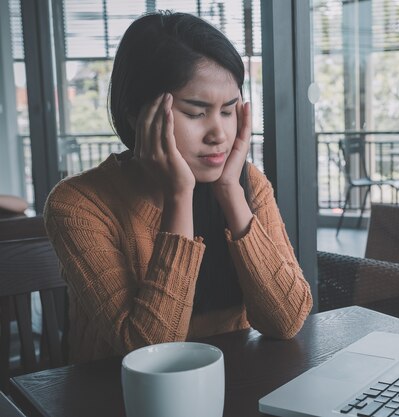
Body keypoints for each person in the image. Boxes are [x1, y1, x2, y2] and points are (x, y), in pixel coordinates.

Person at [44, 11, 312, 363]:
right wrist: (179, 196)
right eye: (196, 113)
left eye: (228, 111)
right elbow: (151, 355)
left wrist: (231, 190)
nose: (218, 134)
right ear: (138, 116)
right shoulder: (78, 205)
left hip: (235, 384)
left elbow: (287, 321)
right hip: (116, 397)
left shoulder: (247, 184)